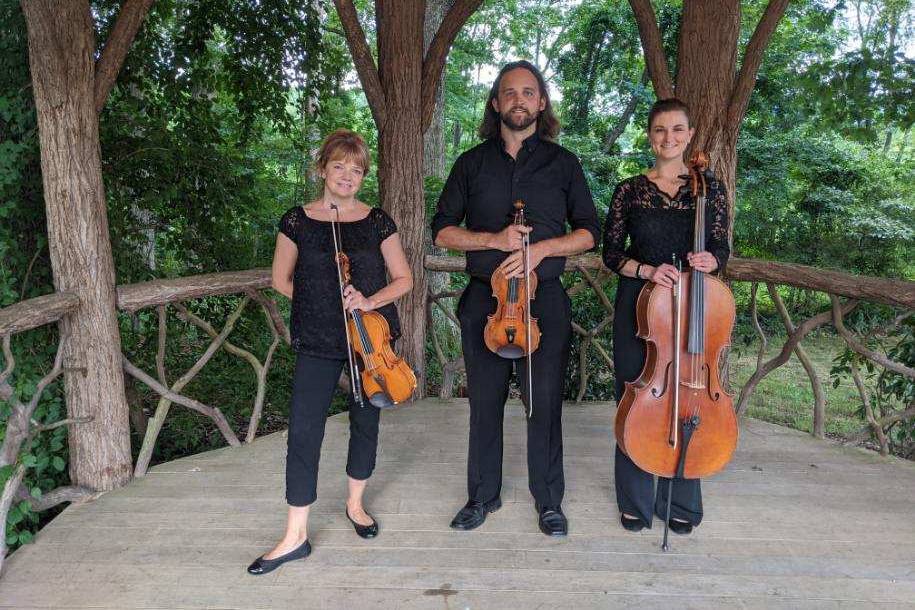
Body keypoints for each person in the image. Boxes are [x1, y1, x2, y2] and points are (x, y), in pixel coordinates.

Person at [432, 60, 600, 537]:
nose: (519, 101)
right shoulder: (471, 163)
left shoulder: (564, 163)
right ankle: (482, 496)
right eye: (510, 93)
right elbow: (442, 231)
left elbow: (590, 233)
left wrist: (542, 249)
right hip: (485, 300)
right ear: (496, 103)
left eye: (529, 93)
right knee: (483, 402)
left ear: (541, 103)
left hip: (543, 300)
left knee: (542, 403)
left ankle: (549, 502)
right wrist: (495, 240)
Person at [248, 129, 413, 574]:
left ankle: (356, 504)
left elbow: (403, 280)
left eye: (356, 170)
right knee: (304, 430)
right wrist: (317, 305)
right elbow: (281, 281)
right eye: (338, 166)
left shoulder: (377, 221)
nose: (347, 176)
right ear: (322, 168)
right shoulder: (296, 221)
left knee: (366, 419)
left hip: (369, 340)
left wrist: (367, 301)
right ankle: (295, 534)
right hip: (317, 339)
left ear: (363, 177)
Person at [602, 98, 730, 535]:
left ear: (689, 135)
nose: (668, 138)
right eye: (660, 130)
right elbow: (612, 254)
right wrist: (648, 270)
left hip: (693, 306)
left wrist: (712, 261)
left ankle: (681, 499)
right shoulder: (629, 190)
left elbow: (721, 247)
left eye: (677, 130)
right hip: (641, 307)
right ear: (649, 135)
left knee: (690, 398)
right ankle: (635, 500)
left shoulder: (708, 188)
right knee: (638, 398)